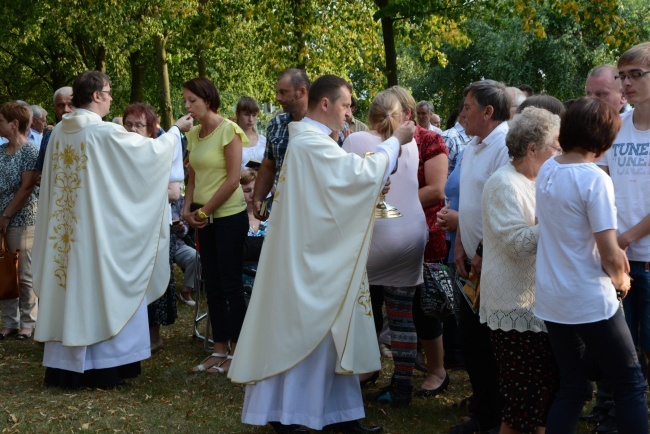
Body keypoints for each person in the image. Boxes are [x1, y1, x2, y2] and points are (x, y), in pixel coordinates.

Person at [229, 75, 416, 434]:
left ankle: (339, 417)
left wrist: (367, 188)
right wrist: (394, 142)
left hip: (314, 251)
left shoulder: (313, 142)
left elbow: (343, 187)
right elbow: (357, 173)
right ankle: (296, 416)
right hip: (311, 261)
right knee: (311, 336)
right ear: (326, 104)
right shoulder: (312, 144)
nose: (350, 114)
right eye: (346, 106)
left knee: (328, 339)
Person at [32, 71, 192, 389]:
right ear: (95, 96)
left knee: (72, 291)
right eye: (108, 92)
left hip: (65, 235)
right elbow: (148, 156)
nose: (110, 98)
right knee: (98, 290)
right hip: (93, 235)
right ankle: (101, 368)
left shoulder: (62, 131)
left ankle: (66, 368)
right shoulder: (100, 133)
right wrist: (175, 131)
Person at [535, 96, 648, 433]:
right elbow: (609, 250)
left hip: (552, 296)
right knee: (630, 381)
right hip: (588, 298)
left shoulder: (549, 168)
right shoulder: (594, 179)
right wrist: (620, 279)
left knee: (573, 386)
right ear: (603, 139)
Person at [343, 90, 428, 406]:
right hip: (412, 233)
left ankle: (355, 376)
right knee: (402, 315)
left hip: (376, 235)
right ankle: (403, 387)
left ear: (370, 114)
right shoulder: (411, 143)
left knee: (357, 312)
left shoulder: (356, 142)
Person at [480, 107, 562, 434]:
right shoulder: (504, 183)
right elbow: (517, 244)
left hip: (538, 305)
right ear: (532, 149)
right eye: (555, 147)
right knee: (522, 404)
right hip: (513, 308)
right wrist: (557, 219)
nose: (559, 153)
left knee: (542, 400)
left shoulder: (539, 181)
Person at [452, 79, 510, 434]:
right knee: (472, 343)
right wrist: (460, 241)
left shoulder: (504, 144)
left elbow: (503, 206)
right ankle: (483, 411)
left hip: (495, 262)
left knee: (494, 346)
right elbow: (468, 203)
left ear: (489, 112)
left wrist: (483, 252)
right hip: (472, 260)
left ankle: (495, 417)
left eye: (468, 108)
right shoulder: (472, 146)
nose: (461, 114)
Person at [182, 77, 249, 375]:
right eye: (185, 100)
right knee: (213, 282)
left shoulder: (229, 130)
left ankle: (238, 350)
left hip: (229, 217)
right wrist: (188, 209)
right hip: (202, 216)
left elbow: (233, 179)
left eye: (191, 101)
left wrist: (207, 210)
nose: (187, 106)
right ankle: (218, 348)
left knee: (231, 283)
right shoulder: (194, 134)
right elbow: (193, 176)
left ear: (207, 100)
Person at [598, 42, 650, 379]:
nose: (626, 83)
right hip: (617, 256)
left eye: (636, 75)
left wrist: (624, 239)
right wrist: (610, 242)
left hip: (641, 254)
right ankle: (619, 410)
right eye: (622, 76)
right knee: (621, 343)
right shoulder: (617, 127)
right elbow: (599, 182)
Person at [122, 102, 185, 352]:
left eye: (139, 125)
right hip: (126, 228)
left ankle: (153, 336)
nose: (134, 130)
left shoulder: (160, 150)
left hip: (155, 226)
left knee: (153, 278)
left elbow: (173, 193)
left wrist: (140, 191)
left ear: (151, 130)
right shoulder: (118, 151)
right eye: (129, 124)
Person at [0, 102, 39, 341]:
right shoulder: (1, 151)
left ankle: (29, 322)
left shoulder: (30, 151)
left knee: (24, 273)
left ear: (14, 124)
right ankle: (9, 323)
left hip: (22, 220)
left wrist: (6, 215)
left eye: (1, 121)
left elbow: (25, 189)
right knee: (4, 271)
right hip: (1, 220)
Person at [252, 69, 310, 219]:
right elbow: (268, 165)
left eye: (283, 92)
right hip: (282, 208)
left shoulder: (325, 125)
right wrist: (258, 198)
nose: (277, 98)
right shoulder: (276, 123)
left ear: (302, 91)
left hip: (312, 209)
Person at [36, 87, 74, 172]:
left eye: (71, 105)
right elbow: (39, 168)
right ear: (54, 107)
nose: (66, 110)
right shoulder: (48, 136)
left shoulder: (88, 134)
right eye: (61, 105)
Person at [236, 96, 266, 170]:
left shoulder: (263, 140)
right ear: (238, 114)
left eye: (254, 115)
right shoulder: (231, 138)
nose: (250, 119)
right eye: (246, 115)